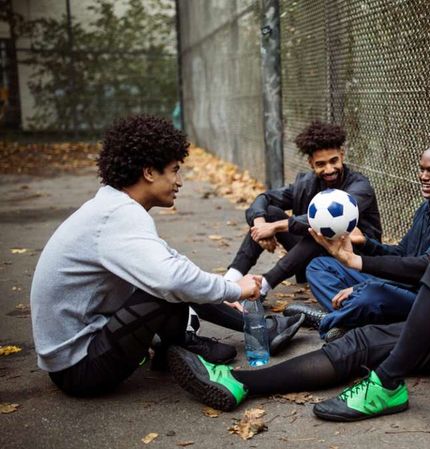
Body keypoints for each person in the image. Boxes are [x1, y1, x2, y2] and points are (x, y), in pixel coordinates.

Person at [167, 132, 430, 423]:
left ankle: (386, 385)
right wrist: (356, 260)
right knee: (364, 340)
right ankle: (238, 382)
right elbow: (423, 264)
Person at [30, 115, 263, 397]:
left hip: (79, 352)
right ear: (150, 172)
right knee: (167, 287)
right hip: (79, 369)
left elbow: (170, 260)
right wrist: (235, 288)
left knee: (173, 277)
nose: (179, 181)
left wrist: (221, 291)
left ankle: (179, 346)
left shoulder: (112, 207)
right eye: (175, 170)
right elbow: (171, 279)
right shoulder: (118, 215)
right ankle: (187, 345)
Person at [287, 144, 430, 340]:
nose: (423, 176)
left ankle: (329, 320)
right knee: (319, 266)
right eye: (422, 169)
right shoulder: (428, 207)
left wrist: (361, 276)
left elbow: (425, 267)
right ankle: (350, 318)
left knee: (371, 294)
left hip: (427, 297)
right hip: (404, 284)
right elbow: (401, 253)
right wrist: (365, 243)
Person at [216, 121, 382, 299]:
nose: (329, 169)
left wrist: (275, 227)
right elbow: (264, 198)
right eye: (321, 164)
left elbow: (326, 223)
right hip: (314, 258)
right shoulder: (305, 184)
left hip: (354, 263)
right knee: (269, 213)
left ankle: (263, 286)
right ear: (311, 163)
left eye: (334, 161)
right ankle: (229, 282)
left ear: (342, 155)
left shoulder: (360, 187)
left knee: (322, 230)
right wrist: (260, 225)